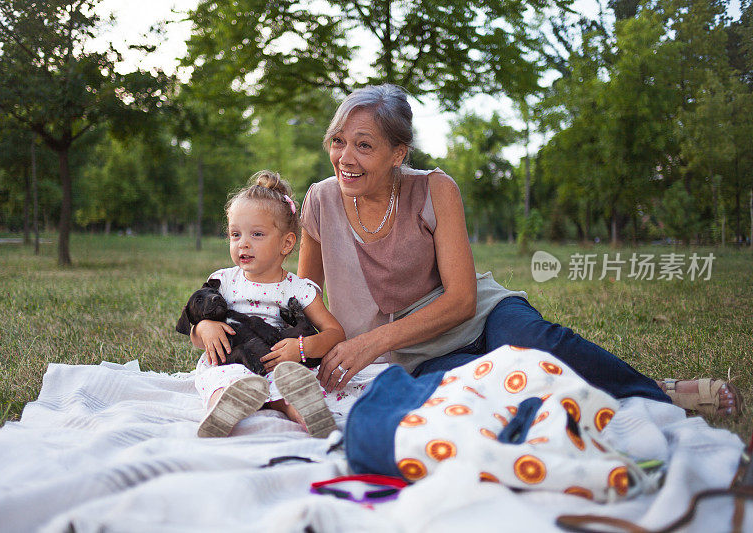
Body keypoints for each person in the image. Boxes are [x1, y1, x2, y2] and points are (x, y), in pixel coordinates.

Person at [297, 83, 740, 418]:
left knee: (535, 342)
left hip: (477, 315)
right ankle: (603, 398)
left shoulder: (436, 189)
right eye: (338, 141)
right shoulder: (320, 200)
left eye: (364, 145)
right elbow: (305, 297)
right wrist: (291, 356)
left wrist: (373, 341)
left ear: (398, 153)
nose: (345, 157)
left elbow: (462, 299)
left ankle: (655, 394)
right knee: (489, 387)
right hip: (414, 354)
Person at [190, 170, 346, 438]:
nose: (243, 244)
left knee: (289, 387)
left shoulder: (299, 289)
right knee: (219, 382)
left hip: (278, 364)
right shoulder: (222, 282)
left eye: (257, 235)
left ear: (286, 243)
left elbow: (335, 333)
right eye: (235, 234)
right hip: (232, 364)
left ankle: (310, 416)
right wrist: (204, 328)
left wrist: (302, 348)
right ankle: (223, 410)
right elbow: (194, 336)